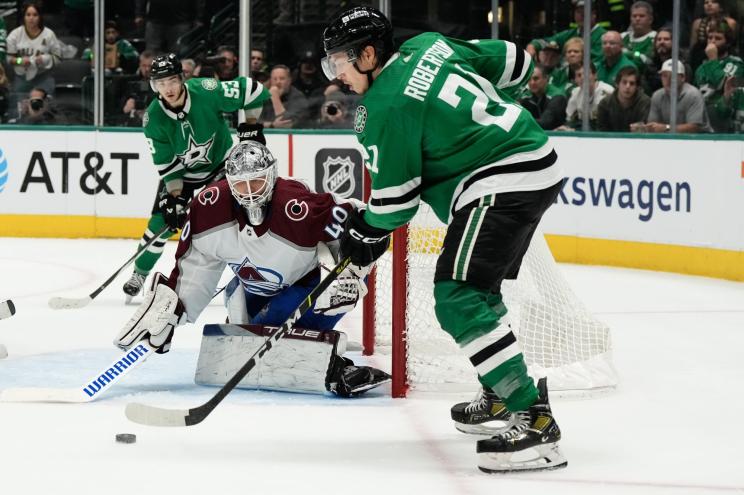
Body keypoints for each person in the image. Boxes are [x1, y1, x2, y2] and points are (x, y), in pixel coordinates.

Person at [322, 6, 566, 472]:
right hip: (532, 161)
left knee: (457, 295)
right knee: (479, 288)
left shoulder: (384, 107)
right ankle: (500, 390)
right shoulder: (427, 45)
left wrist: (362, 232)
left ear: (370, 55)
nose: (337, 74)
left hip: (502, 181)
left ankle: (535, 420)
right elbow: (518, 62)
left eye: (341, 62)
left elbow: (395, 204)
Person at [114, 141, 391, 398]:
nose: (250, 192)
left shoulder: (298, 206)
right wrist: (174, 309)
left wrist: (354, 266)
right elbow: (196, 265)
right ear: (228, 182)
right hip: (248, 290)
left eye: (257, 181)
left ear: (272, 176)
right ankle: (292, 344)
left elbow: (356, 217)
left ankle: (322, 359)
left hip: (303, 287)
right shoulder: (209, 208)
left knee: (337, 292)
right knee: (246, 318)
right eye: (241, 185)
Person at [121, 53, 270, 299]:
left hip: (222, 166)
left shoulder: (206, 90)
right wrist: (177, 198)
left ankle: (258, 276)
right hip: (184, 175)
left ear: (181, 79)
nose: (167, 88)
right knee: (162, 222)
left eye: (171, 81)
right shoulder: (153, 118)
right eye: (160, 83)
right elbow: (168, 165)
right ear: (153, 86)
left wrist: (250, 126)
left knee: (245, 216)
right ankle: (140, 273)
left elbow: (254, 90)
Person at [6, 2, 62, 113]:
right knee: (18, 111)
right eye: (28, 15)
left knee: (42, 111)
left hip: (43, 77)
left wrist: (45, 59)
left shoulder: (49, 34)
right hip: (22, 78)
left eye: (35, 15)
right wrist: (20, 60)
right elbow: (8, 59)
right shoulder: (15, 35)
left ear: (40, 17)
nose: (31, 18)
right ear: (24, 17)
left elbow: (58, 58)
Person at [694, 20, 744, 132]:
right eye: (710, 38)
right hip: (704, 121)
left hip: (728, 120)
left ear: (728, 42)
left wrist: (713, 59)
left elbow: (724, 84)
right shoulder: (700, 68)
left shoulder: (737, 64)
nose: (712, 42)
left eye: (718, 38)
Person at [528, 0, 607, 66]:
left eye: (585, 12)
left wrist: (564, 60)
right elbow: (548, 41)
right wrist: (533, 46)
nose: (582, 16)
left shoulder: (604, 36)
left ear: (594, 14)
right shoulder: (571, 34)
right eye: (578, 12)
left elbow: (596, 62)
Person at [646, 59, 711, 133]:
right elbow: (652, 126)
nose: (668, 80)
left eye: (673, 76)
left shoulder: (693, 95)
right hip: (668, 141)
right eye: (665, 76)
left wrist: (666, 128)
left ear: (682, 77)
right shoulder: (657, 96)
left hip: (700, 141)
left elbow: (694, 128)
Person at [561, 62, 615, 130]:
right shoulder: (575, 93)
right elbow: (569, 120)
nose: (583, 77)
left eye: (586, 73)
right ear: (575, 80)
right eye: (579, 75)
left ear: (595, 75)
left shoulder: (607, 91)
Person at [689, 0, 738, 72]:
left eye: (714, 2)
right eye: (706, 2)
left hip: (724, 55)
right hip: (701, 56)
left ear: (721, 6)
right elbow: (693, 45)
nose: (709, 5)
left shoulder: (730, 23)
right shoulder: (697, 23)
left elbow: (733, 43)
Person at [598, 66, 651, 131]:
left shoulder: (644, 102)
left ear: (637, 87)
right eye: (624, 82)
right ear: (617, 84)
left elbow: (643, 130)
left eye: (632, 83)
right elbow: (601, 132)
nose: (627, 86)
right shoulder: (605, 103)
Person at [519, 64, 567, 130]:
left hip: (558, 136)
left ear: (546, 79)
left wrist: (520, 122)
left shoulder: (557, 96)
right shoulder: (526, 97)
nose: (532, 83)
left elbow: (546, 123)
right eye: (529, 79)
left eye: (536, 79)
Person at [621, 1, 657, 71]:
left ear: (650, 19)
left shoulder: (655, 38)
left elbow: (646, 60)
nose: (637, 19)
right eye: (634, 16)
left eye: (641, 16)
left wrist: (627, 53)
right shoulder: (622, 37)